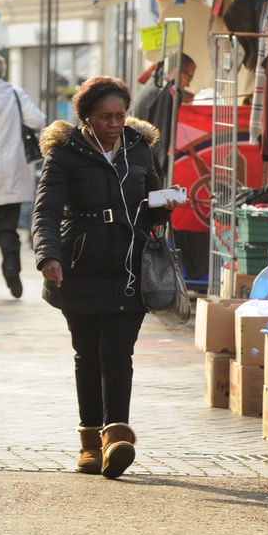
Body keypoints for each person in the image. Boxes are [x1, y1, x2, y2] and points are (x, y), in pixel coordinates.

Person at [31, 76, 180, 479]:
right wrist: (48, 255)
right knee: (87, 355)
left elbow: (151, 200)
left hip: (130, 266)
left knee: (118, 353)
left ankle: (118, 438)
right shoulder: (64, 154)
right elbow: (45, 210)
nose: (114, 124)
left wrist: (164, 206)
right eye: (105, 117)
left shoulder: (139, 148)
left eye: (119, 115)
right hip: (78, 266)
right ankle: (90, 444)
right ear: (87, 117)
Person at [0, 51, 45, 298]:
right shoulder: (15, 95)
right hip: (11, 173)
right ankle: (11, 266)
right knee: (7, 228)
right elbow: (38, 121)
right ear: (0, 71)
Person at [132, 53, 195, 182]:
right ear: (178, 72)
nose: (188, 84)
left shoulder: (157, 84)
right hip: (147, 165)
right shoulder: (159, 94)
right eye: (190, 78)